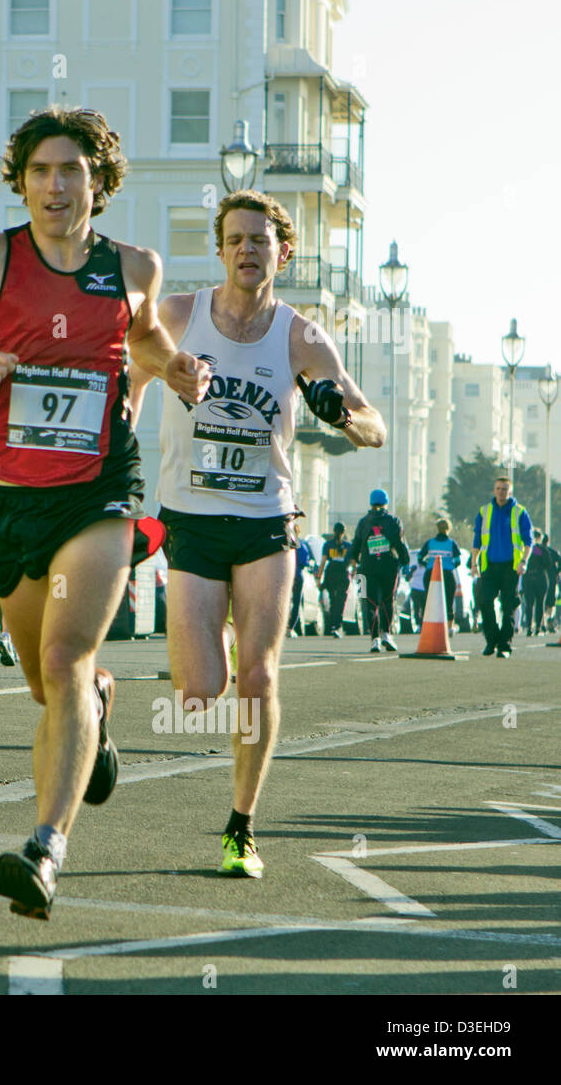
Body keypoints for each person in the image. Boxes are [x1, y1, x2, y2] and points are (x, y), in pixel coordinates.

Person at [0, 104, 210, 918]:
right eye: (40, 172)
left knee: (62, 659)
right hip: (8, 502)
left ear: (99, 184)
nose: (55, 186)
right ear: (21, 182)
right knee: (44, 682)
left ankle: (45, 850)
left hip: (99, 493)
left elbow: (141, 341)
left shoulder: (136, 267)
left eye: (72, 172)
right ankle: (96, 704)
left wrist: (175, 369)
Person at [129, 188, 385, 879]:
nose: (247, 249)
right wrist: (123, 450)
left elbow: (374, 426)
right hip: (190, 515)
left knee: (260, 674)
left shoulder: (302, 336)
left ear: (283, 252)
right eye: (235, 239)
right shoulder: (181, 314)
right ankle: (106, 695)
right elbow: (131, 373)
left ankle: (241, 825)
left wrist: (339, 412)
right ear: (220, 250)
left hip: (268, 519)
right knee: (198, 689)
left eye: (260, 240)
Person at [473, 477, 533, 658]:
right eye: (498, 489)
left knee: (509, 605)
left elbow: (528, 541)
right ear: (494, 490)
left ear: (510, 492)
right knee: (484, 601)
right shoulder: (484, 511)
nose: (501, 492)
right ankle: (491, 640)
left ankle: (504, 645)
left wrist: (524, 561)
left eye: (505, 489)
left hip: (511, 567)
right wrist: (474, 562)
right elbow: (477, 539)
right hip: (489, 566)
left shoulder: (519, 512)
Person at [348, 489, 407, 653]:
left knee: (371, 603)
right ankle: (387, 634)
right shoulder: (393, 521)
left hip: (367, 567)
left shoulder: (363, 522)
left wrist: (353, 562)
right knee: (388, 600)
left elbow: (356, 544)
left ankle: (374, 639)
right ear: (386, 503)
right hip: (389, 566)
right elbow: (399, 543)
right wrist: (405, 561)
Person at [416, 517, 461, 633]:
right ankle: (450, 627)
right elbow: (458, 561)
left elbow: (419, 557)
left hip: (431, 573)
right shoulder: (452, 543)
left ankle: (426, 626)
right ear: (448, 528)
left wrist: (428, 565)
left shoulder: (430, 543)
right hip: (448, 573)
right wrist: (450, 565)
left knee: (429, 600)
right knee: (449, 600)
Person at [318, 521, 352, 637]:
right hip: (343, 573)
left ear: (334, 532)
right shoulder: (348, 546)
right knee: (341, 601)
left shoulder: (328, 545)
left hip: (331, 573)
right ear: (344, 532)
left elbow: (323, 562)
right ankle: (338, 626)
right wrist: (353, 575)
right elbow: (353, 563)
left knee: (333, 600)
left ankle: (333, 626)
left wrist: (319, 578)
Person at [285, 519, 317, 636]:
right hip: (297, 575)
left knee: (285, 601)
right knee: (297, 602)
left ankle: (283, 626)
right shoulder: (301, 545)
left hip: (286, 576)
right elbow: (305, 562)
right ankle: (291, 628)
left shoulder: (285, 544)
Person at [522, 530, 552, 636]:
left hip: (533, 577)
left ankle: (533, 627)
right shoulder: (538, 549)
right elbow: (548, 563)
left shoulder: (530, 549)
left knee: (534, 603)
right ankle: (533, 627)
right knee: (534, 604)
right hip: (537, 577)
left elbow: (548, 563)